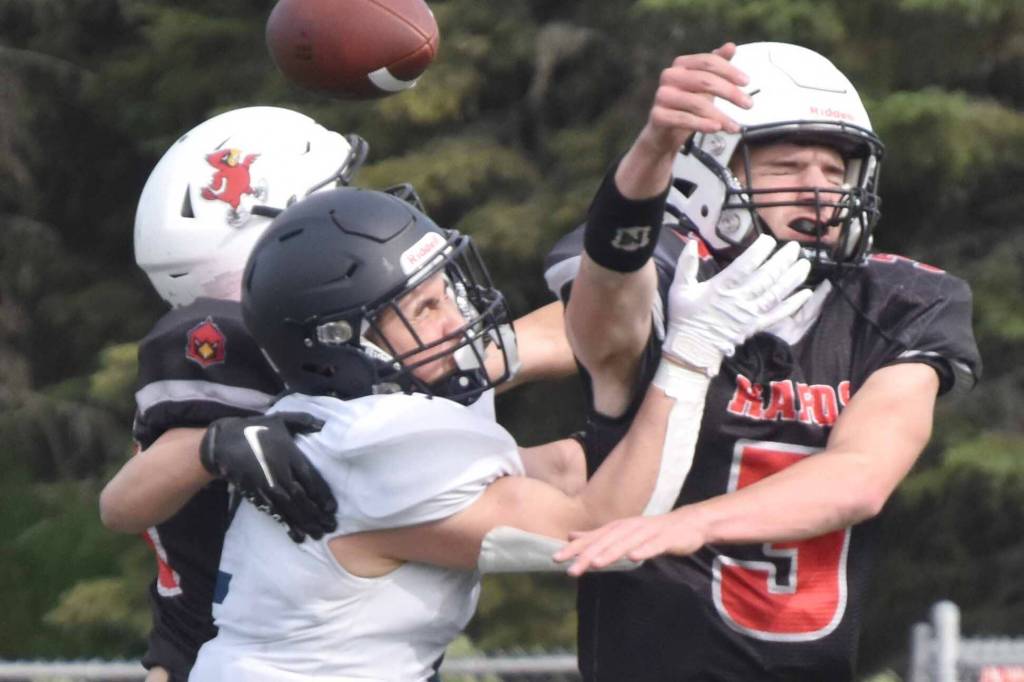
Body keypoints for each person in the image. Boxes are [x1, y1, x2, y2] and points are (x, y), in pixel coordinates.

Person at [187, 184, 811, 681]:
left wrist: (640, 270)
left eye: (446, 290)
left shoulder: (353, 411)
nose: (457, 315)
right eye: (425, 308)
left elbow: (565, 461)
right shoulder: (374, 442)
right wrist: (692, 353)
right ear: (341, 346)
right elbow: (602, 530)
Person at [544, 42, 982, 681]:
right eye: (786, 166)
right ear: (711, 177)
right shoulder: (670, 280)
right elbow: (606, 285)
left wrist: (687, 525)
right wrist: (654, 149)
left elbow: (861, 474)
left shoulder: (902, 302)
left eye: (835, 171)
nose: (820, 190)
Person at [98, 106, 580, 682]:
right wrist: (213, 444)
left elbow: (547, 341)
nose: (362, 207)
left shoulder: (367, 364)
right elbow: (123, 505)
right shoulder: (225, 349)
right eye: (334, 197)